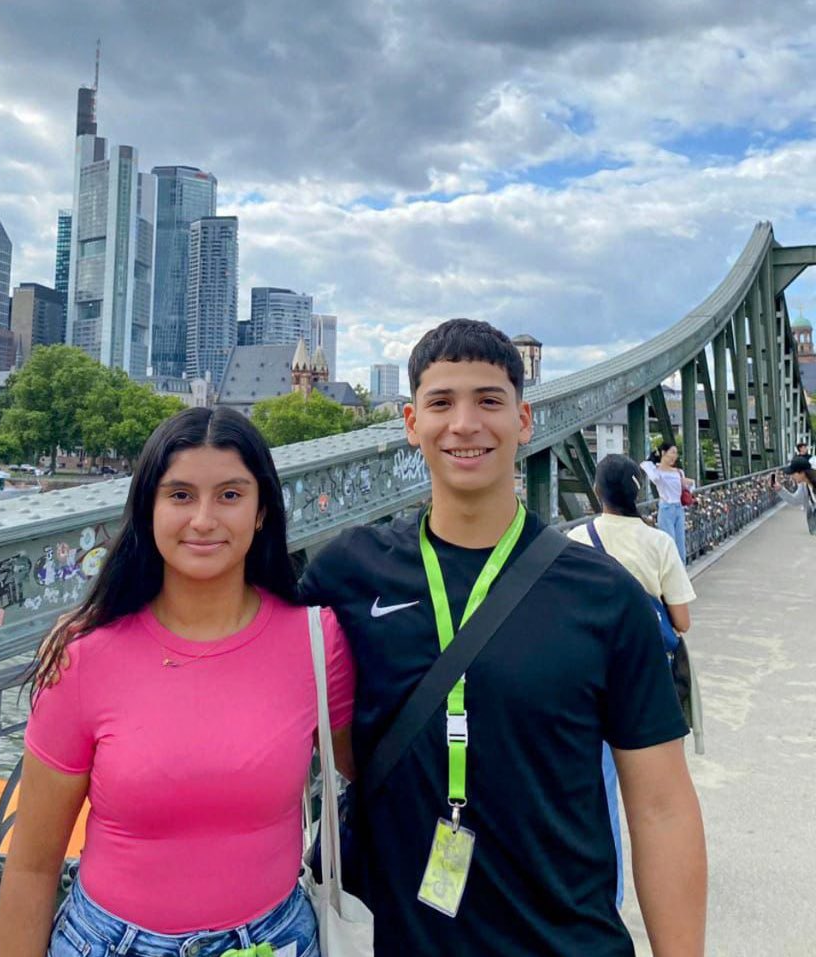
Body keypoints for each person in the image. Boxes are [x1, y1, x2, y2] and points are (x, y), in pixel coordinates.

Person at [299, 319, 707, 956]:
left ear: (524, 421)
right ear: (411, 422)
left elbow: (661, 807)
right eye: (441, 403)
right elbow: (229, 639)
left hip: (563, 940)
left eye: (490, 400)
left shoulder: (605, 597)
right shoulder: (348, 572)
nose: (465, 423)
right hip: (396, 936)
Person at [0, 407, 355, 957]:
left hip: (275, 941)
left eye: (231, 495)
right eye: (181, 495)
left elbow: (374, 774)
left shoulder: (314, 641)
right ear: (148, 510)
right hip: (112, 944)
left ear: (262, 511)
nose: (205, 520)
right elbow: (32, 864)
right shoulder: (84, 657)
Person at [568, 453, 698, 909]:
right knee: (657, 799)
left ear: (599, 493)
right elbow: (681, 621)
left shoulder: (575, 538)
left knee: (601, 791)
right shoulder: (658, 542)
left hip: (586, 675)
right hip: (646, 679)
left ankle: (611, 896)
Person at [639, 441, 695, 563]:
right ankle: (670, 574)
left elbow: (689, 490)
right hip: (666, 508)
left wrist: (688, 483)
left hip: (678, 508)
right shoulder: (656, 471)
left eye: (676, 453)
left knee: (680, 544)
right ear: (664, 453)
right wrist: (653, 458)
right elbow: (651, 473)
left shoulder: (678, 472)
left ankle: (682, 573)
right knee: (669, 543)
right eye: (672, 452)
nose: (675, 456)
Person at [771, 454, 816, 535]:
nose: (792, 477)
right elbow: (795, 500)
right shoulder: (804, 484)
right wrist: (780, 489)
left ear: (802, 473)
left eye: (793, 473)